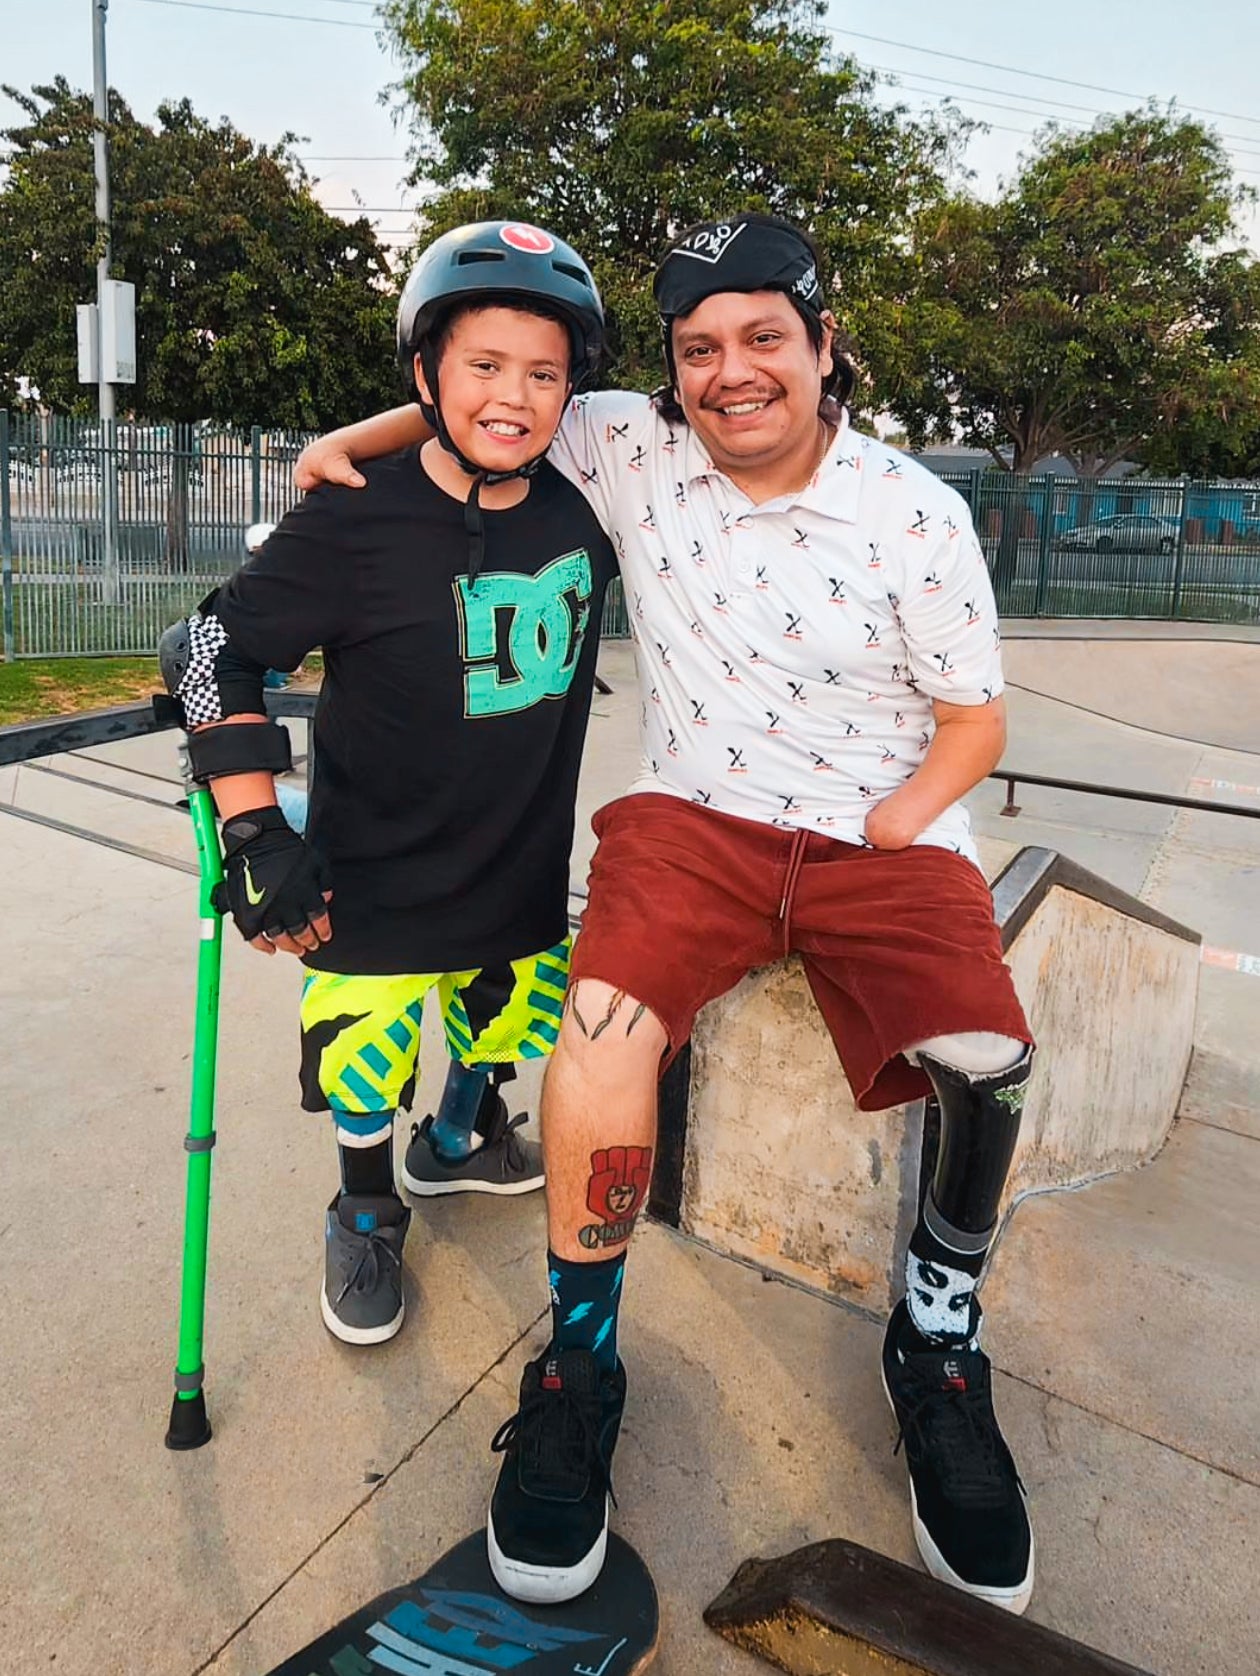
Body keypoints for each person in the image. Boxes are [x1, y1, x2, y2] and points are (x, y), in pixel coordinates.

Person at [295, 212, 1038, 1614]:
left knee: (988, 1067)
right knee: (599, 1033)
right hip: (693, 821)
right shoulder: (633, 443)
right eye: (699, 348)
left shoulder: (913, 512)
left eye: (765, 339)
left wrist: (899, 813)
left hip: (880, 840)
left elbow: (976, 716)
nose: (729, 372)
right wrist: (352, 445)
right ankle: (580, 1358)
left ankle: (935, 1345)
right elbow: (487, 397)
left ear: (825, 348)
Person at [159, 221, 616, 1347]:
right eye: (482, 366)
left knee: (506, 1014)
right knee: (365, 1054)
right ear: (426, 371)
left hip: (516, 864)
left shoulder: (589, 507)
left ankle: (459, 1138)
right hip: (368, 878)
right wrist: (258, 828)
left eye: (543, 372)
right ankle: (366, 1204)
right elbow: (211, 648)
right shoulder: (355, 516)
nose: (514, 395)